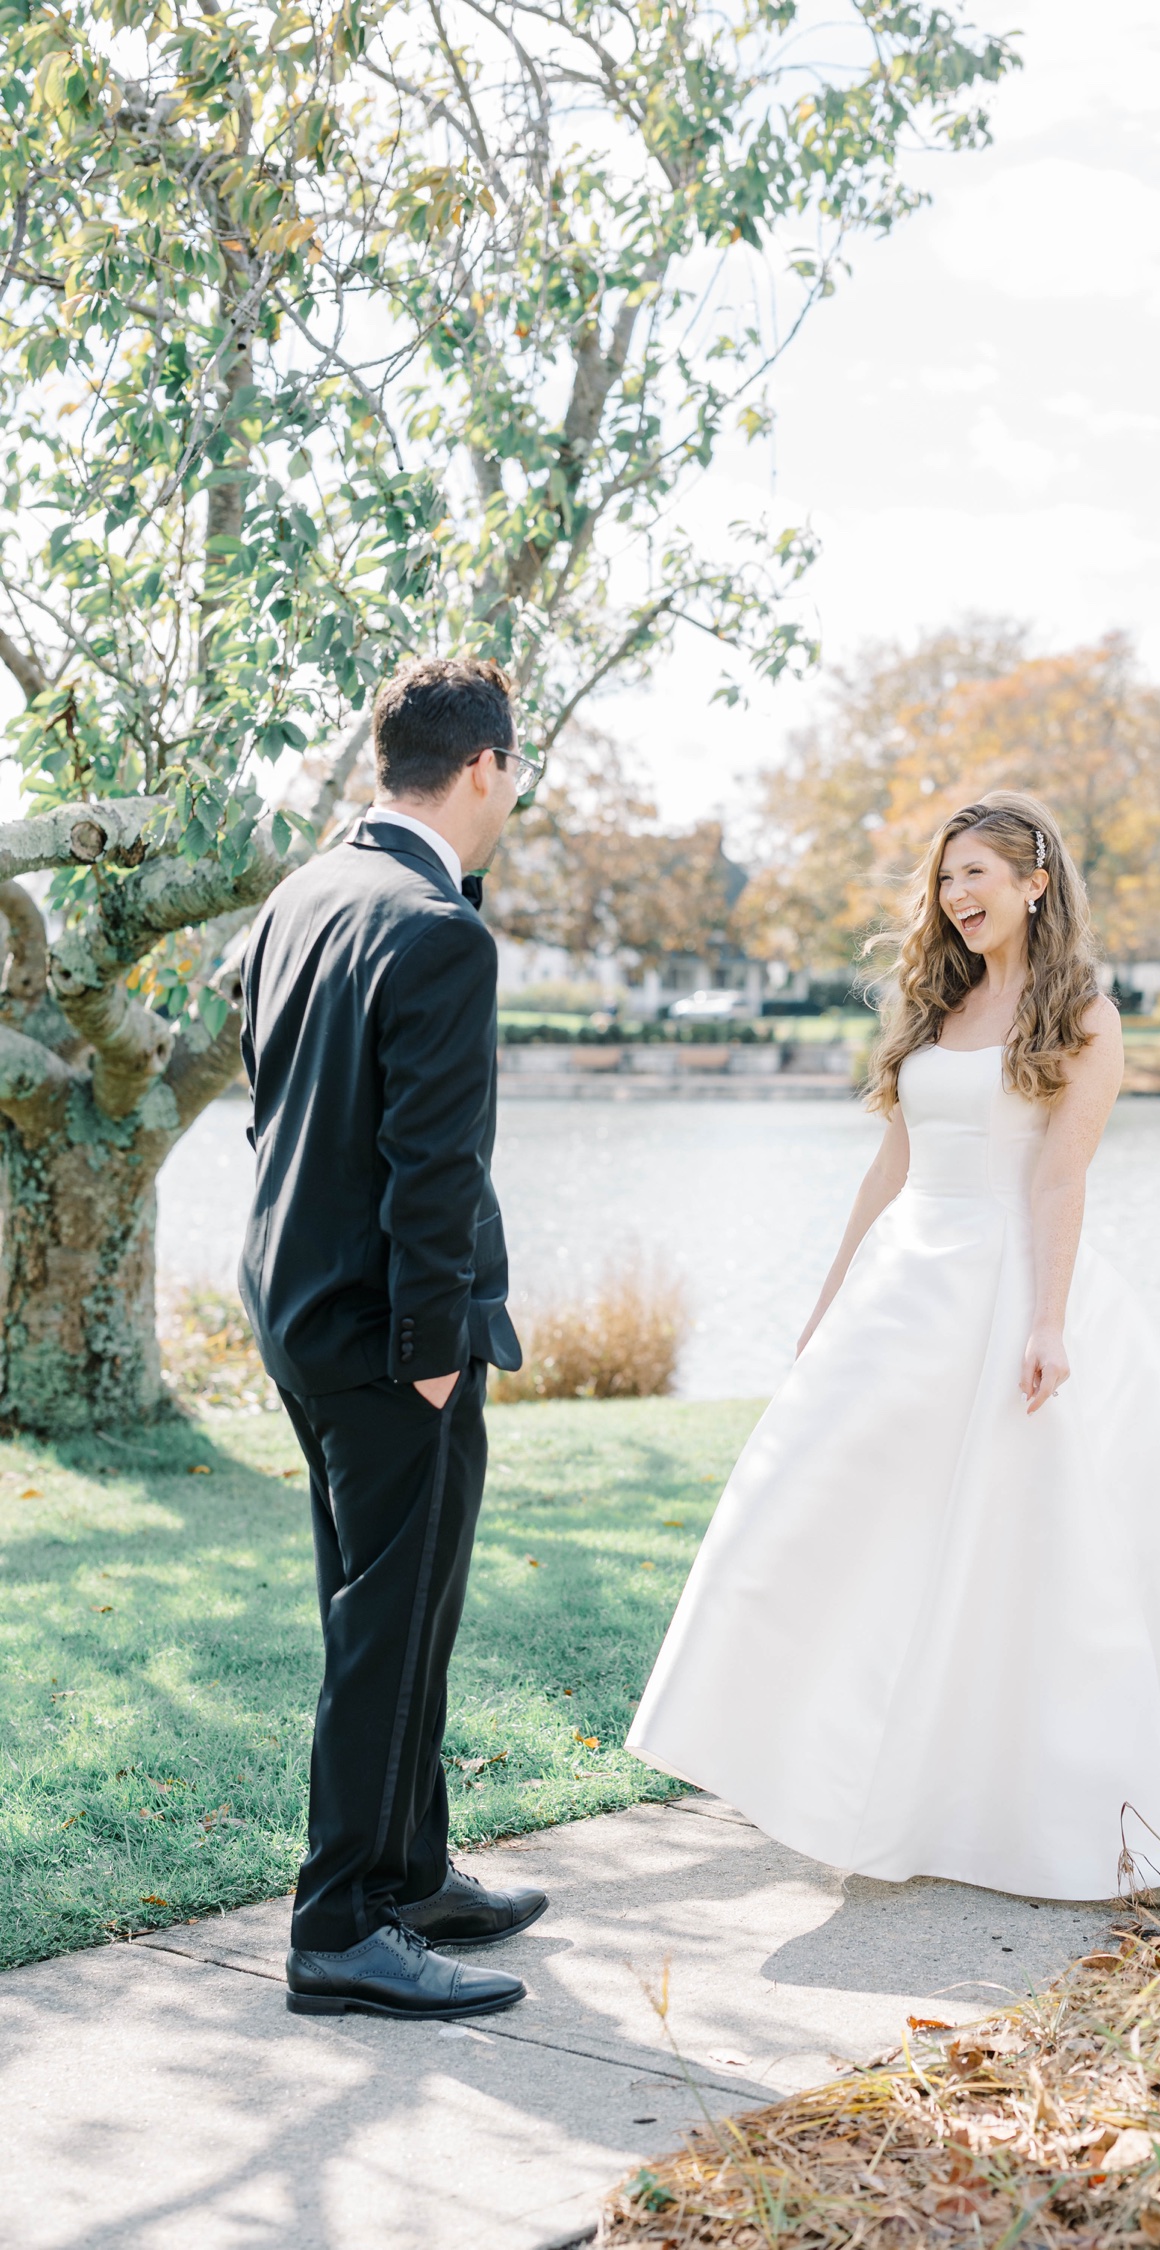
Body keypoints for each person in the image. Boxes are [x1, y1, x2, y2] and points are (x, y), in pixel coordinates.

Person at [628, 789, 1160, 1903]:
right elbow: (889, 1168)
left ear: (1035, 882)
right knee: (811, 1510)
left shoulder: (1084, 1018)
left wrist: (1047, 1320)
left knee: (1022, 1545)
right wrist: (827, 1299)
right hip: (902, 1296)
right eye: (944, 877)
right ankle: (835, 1764)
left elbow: (1061, 1175)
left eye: (976, 873)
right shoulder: (935, 1005)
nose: (955, 895)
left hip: (1008, 1285)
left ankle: (1025, 1799)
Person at [240, 655, 549, 2020]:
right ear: (484, 765)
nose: (515, 786)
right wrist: (434, 1343)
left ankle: (412, 1870)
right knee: (386, 1623)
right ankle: (342, 1922)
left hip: (301, 1316)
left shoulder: (301, 893)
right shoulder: (436, 927)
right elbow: (433, 1161)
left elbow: (274, 1107)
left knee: (394, 1604)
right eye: (516, 765)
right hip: (388, 1337)